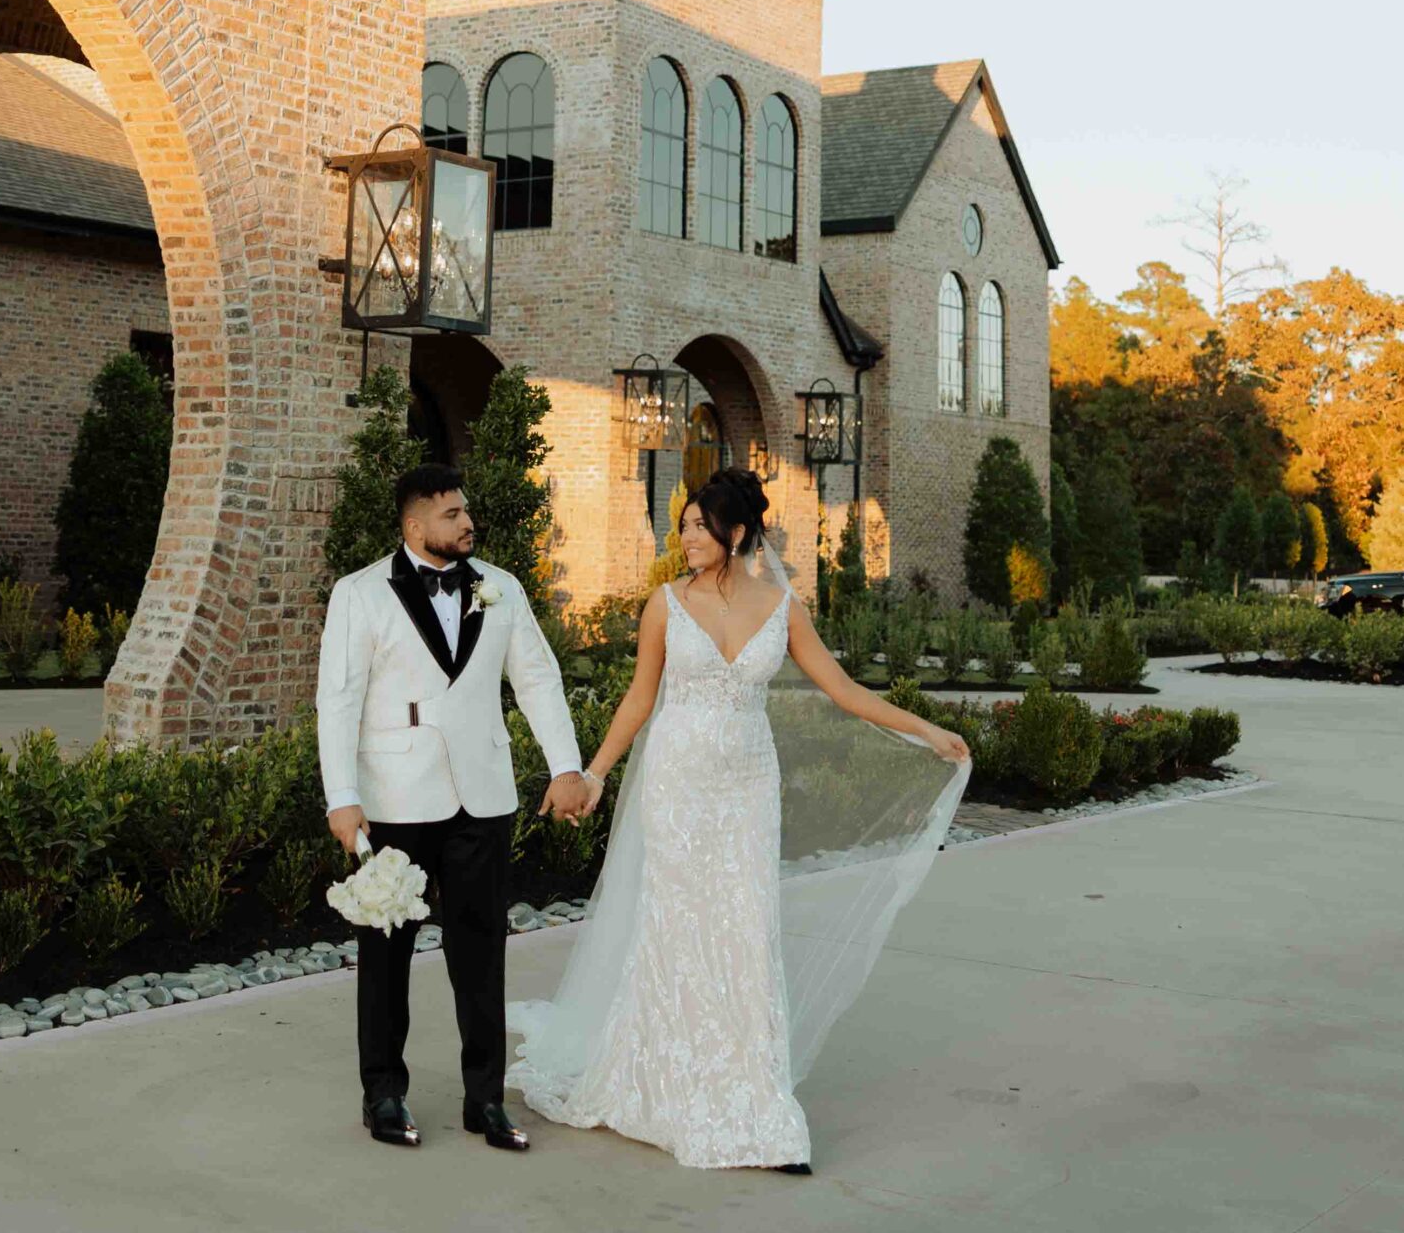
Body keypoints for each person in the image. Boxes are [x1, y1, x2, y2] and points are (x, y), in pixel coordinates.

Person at [509, 467, 969, 1173]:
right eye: (685, 525)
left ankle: (752, 1098)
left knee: (746, 930)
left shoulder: (783, 608)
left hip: (747, 790)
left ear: (737, 531)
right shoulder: (664, 604)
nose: (686, 537)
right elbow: (638, 701)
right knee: (678, 925)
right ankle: (663, 1083)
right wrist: (595, 774)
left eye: (699, 525)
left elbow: (844, 691)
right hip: (678, 785)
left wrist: (926, 732)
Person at [317, 462, 588, 1151]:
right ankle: (383, 1096)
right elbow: (338, 699)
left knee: (481, 954)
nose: (467, 523)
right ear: (414, 524)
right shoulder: (359, 595)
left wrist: (566, 766)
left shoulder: (501, 589)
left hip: (483, 796)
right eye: (450, 515)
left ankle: (485, 1100)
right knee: (386, 960)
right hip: (395, 799)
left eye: (466, 512)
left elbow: (538, 680)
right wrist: (342, 798)